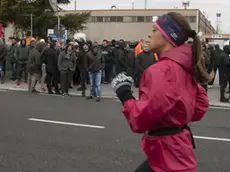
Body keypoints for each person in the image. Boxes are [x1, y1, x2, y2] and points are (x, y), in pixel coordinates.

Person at [111, 12, 210, 172]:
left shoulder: (160, 70)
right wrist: (175, 117)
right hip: (178, 149)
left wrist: (124, 93)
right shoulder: (185, 66)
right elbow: (200, 107)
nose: (149, 34)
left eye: (154, 30)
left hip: (167, 155)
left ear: (167, 36)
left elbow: (139, 121)